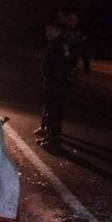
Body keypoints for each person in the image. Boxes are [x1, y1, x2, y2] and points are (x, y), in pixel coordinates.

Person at [35, 10, 90, 149]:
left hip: (59, 79)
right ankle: (49, 133)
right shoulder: (54, 42)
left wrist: (60, 74)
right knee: (51, 106)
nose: (48, 32)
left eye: (51, 30)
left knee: (55, 107)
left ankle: (54, 138)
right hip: (53, 78)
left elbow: (70, 59)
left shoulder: (66, 42)